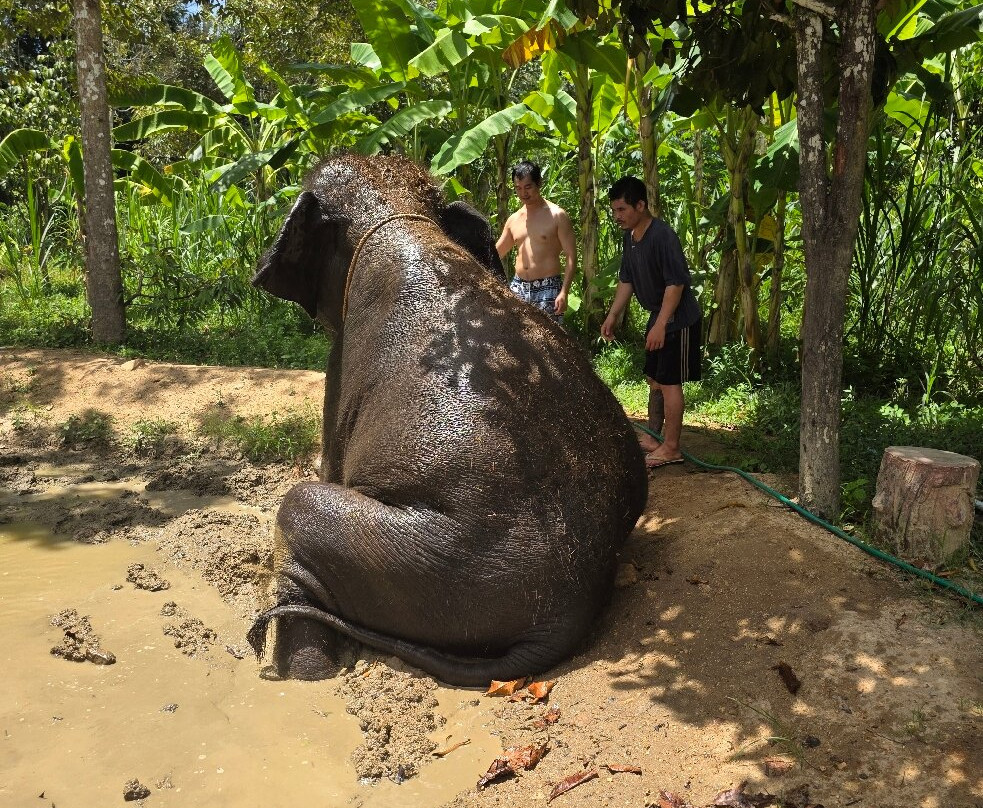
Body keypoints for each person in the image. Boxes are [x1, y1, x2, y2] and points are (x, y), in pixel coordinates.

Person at [601, 176, 702, 469]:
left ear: (641, 205)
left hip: (678, 319)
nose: (617, 216)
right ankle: (655, 437)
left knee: (670, 384)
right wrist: (613, 314)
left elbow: (676, 285)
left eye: (622, 210)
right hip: (658, 317)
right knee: (655, 380)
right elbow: (626, 280)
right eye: (614, 210)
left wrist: (661, 324)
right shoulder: (630, 238)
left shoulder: (662, 236)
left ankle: (672, 448)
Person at [496, 161, 577, 324]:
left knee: (550, 342)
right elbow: (496, 253)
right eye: (518, 188)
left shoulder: (557, 216)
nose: (523, 193)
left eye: (528, 187)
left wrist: (564, 292)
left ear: (539, 183)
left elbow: (571, 256)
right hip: (518, 288)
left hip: (548, 289)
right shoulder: (513, 220)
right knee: (518, 340)